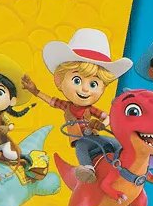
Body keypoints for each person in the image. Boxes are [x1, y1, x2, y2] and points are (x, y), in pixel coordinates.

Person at [22, 27, 132, 184]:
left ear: (103, 87)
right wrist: (35, 91)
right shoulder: (66, 106)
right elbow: (52, 101)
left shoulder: (90, 109)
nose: (85, 89)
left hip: (94, 136)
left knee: (115, 143)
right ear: (59, 80)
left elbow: (107, 117)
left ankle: (127, 160)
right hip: (81, 139)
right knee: (81, 148)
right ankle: (88, 169)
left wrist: (102, 124)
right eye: (77, 80)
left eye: (93, 84)